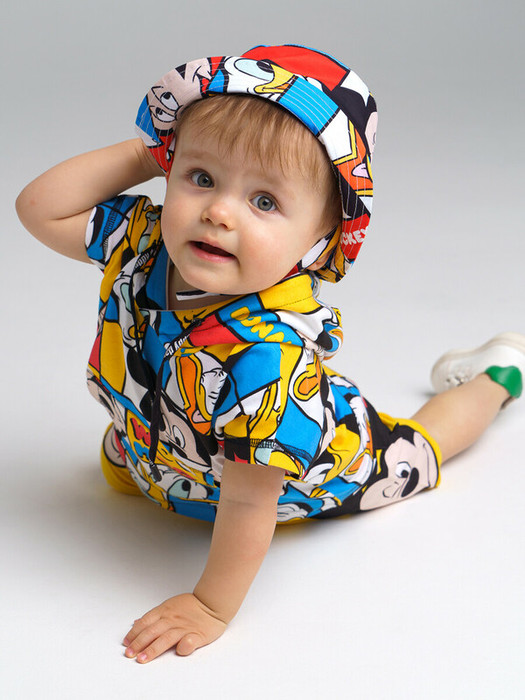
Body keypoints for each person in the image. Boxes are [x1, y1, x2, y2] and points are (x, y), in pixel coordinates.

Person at [16, 44, 525, 663]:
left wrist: (210, 606)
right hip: (167, 448)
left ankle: (500, 373)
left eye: (264, 202)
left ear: (319, 237)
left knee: (421, 446)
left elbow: (247, 501)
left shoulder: (267, 362)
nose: (219, 212)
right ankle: (153, 462)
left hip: (312, 467)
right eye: (201, 177)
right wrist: (145, 152)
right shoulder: (147, 242)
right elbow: (39, 209)